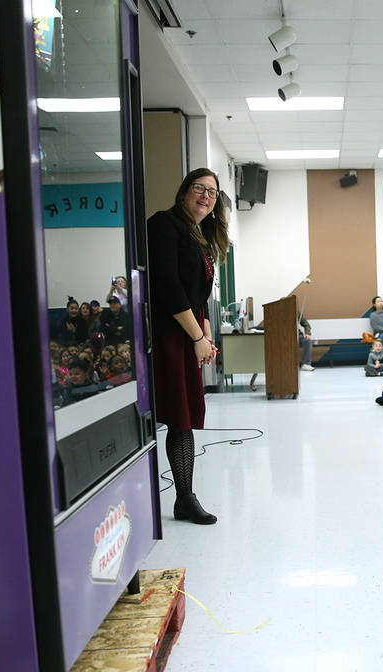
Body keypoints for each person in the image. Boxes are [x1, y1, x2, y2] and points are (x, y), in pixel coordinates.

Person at [146, 167, 228, 524]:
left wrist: (205, 335)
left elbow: (200, 295)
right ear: (183, 192)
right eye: (199, 188)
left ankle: (184, 498)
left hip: (190, 331)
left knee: (185, 421)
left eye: (212, 192)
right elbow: (168, 287)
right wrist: (197, 337)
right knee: (178, 418)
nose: (206, 196)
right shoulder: (164, 224)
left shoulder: (199, 237)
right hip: (170, 335)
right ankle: (184, 498)